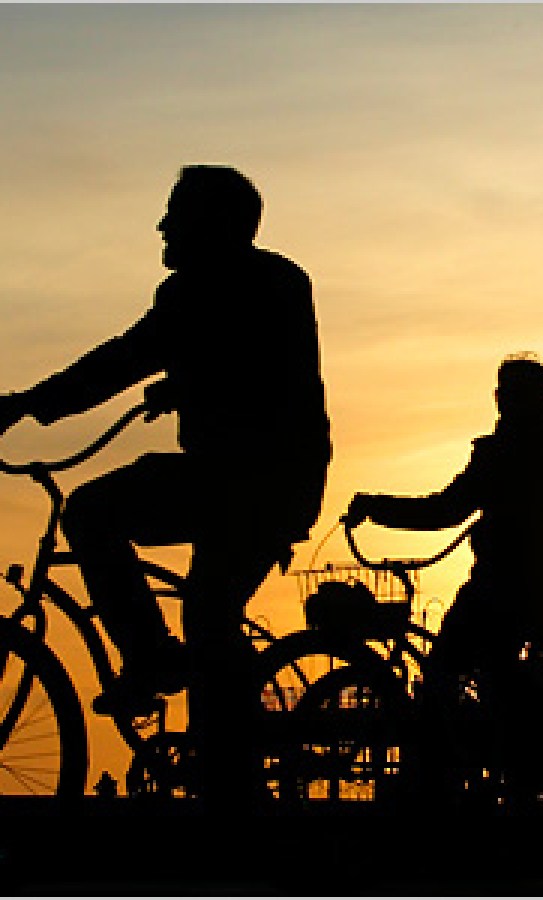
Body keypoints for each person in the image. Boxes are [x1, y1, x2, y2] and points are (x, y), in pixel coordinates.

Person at [0, 166, 332, 752]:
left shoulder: (211, 289)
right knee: (209, 617)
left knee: (92, 514)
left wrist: (27, 405)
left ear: (214, 223)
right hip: (260, 482)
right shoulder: (268, 282)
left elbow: (129, 357)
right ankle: (222, 752)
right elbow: (235, 361)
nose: (162, 226)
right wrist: (183, 384)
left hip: (249, 481)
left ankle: (156, 665)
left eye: (175, 213)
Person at [345, 355, 543, 687]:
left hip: (498, 587)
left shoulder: (497, 454)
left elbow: (443, 510)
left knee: (443, 672)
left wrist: (375, 508)